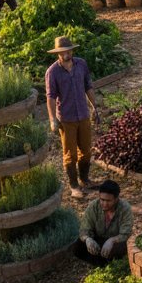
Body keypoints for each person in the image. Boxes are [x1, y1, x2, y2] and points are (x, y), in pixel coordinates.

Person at [44, 36, 99, 199]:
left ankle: (85, 179)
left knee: (86, 151)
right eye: (62, 51)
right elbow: (51, 97)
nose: (66, 53)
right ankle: (74, 186)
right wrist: (52, 119)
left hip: (83, 114)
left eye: (68, 50)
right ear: (58, 53)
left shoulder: (81, 64)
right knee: (70, 154)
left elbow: (88, 86)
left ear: (72, 50)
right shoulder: (52, 72)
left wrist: (94, 107)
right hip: (66, 118)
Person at [75, 179, 133, 266]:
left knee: (120, 248)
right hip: (98, 238)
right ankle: (100, 263)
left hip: (115, 241)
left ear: (116, 199)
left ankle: (105, 263)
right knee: (78, 246)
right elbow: (84, 229)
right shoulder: (93, 206)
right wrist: (88, 239)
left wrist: (112, 240)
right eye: (102, 199)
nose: (104, 204)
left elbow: (125, 234)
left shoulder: (125, 208)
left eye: (108, 201)